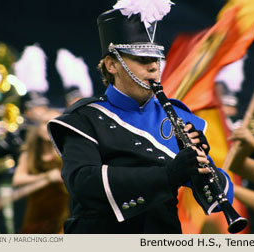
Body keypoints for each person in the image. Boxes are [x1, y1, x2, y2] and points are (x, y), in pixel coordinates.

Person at [47, 0, 234, 234]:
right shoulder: (84, 119)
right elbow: (84, 183)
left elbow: (217, 193)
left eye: (156, 59)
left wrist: (201, 170)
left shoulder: (179, 117)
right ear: (112, 64)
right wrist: (168, 174)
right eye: (142, 60)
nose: (154, 67)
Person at [12, 109, 69, 234]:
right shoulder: (30, 154)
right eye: (44, 122)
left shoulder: (67, 154)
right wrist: (47, 177)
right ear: (37, 127)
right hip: (35, 215)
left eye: (55, 122)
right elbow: (18, 179)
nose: (48, 126)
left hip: (63, 217)